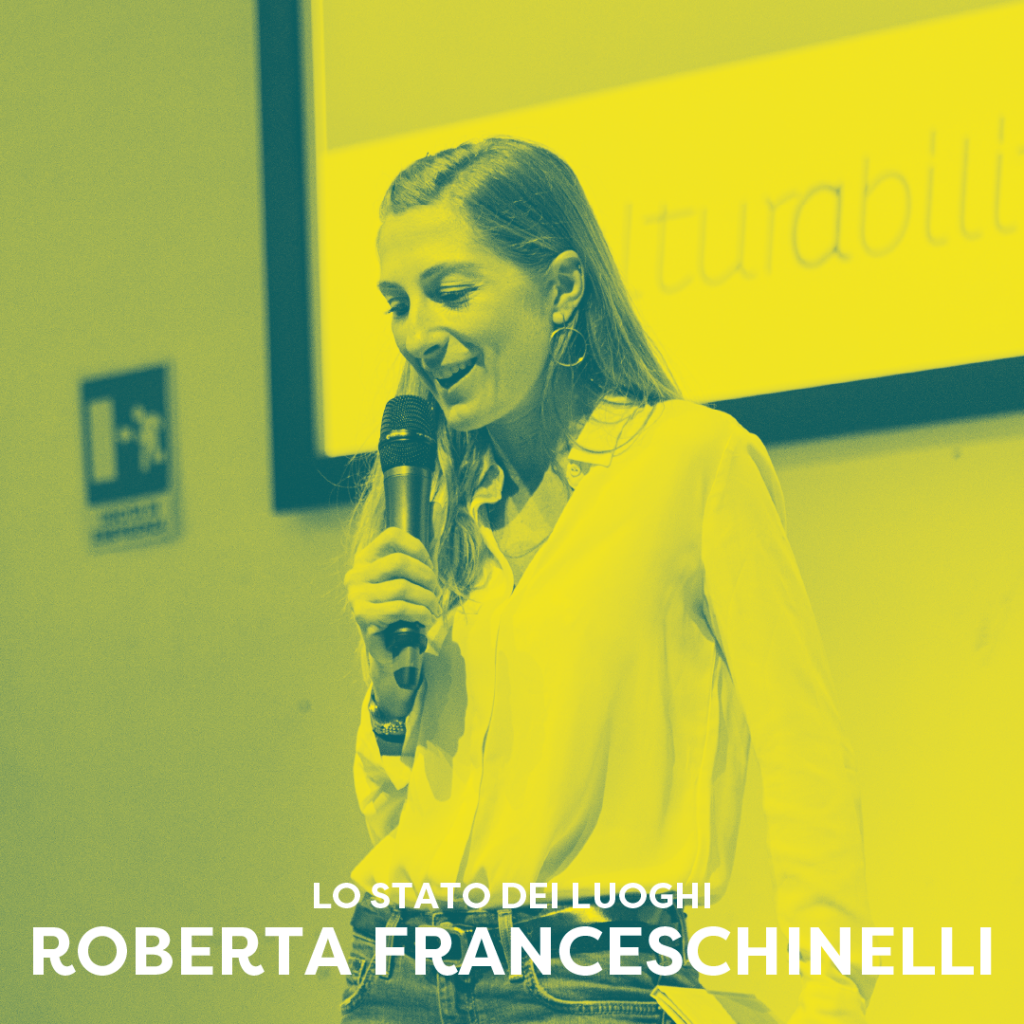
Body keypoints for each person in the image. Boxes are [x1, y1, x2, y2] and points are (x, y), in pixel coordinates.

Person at [342, 138, 873, 1023]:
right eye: (397, 303)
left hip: (588, 982)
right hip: (398, 972)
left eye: (451, 292)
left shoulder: (693, 463)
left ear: (561, 289)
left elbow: (802, 750)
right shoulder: (431, 504)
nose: (418, 334)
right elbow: (395, 813)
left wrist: (830, 996)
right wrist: (387, 691)